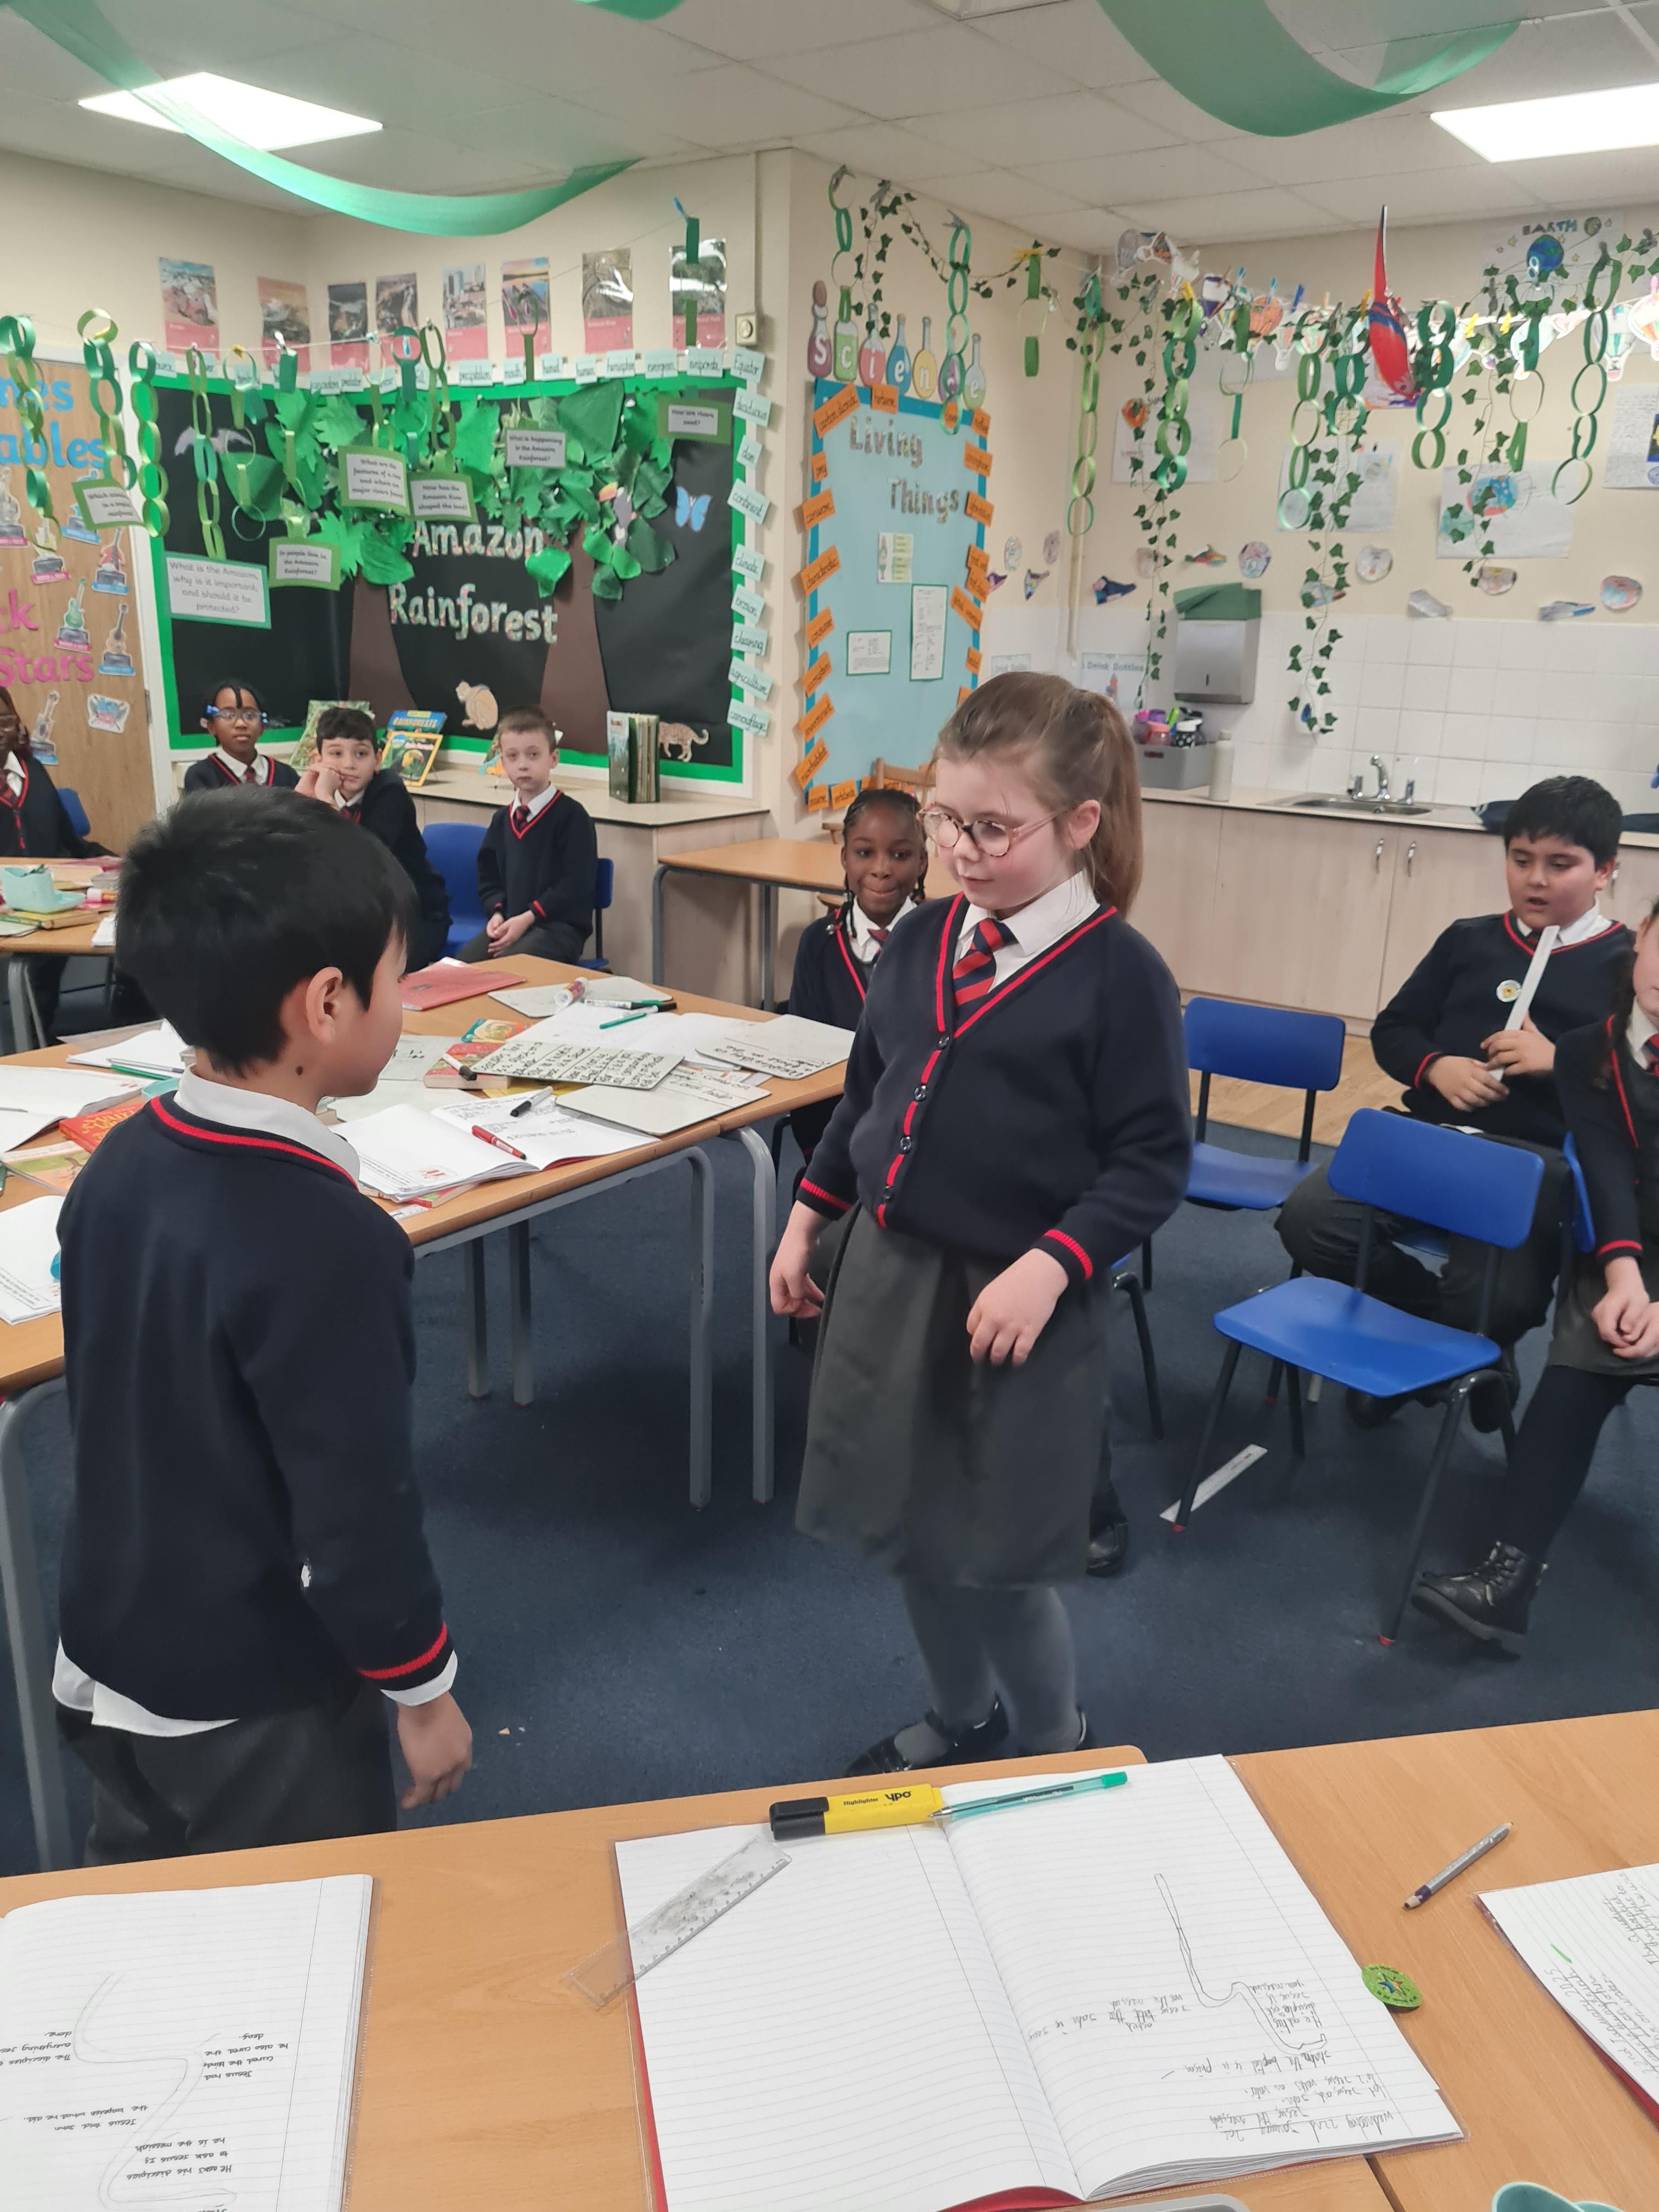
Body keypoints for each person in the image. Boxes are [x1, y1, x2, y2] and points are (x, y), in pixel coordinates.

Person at [769, 673, 1190, 1774]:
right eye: (942, 819)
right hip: (889, 1280)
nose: (956, 849)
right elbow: (867, 1098)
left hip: (1016, 1307)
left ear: (1079, 822)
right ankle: (961, 1719)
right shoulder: (920, 941)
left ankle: (1053, 1744)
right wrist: (808, 1216)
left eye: (991, 828)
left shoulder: (1121, 977)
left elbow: (1151, 1163)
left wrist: (1052, 1265)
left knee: (995, 1562)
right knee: (906, 1535)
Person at [54, 788, 472, 1860]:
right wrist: (423, 1691)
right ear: (327, 1003)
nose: (405, 1005)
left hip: (105, 1648)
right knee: (304, 1924)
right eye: (397, 980)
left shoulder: (120, 1158)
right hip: (250, 1700)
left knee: (147, 1908)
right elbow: (357, 1512)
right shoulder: (329, 1238)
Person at [1277, 776, 1629, 1429]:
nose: (1535, 880)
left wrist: (1561, 1061)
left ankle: (1447, 1351)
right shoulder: (1469, 940)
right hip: (1429, 1140)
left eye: (1561, 865)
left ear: (1605, 870)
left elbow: (1641, 1087)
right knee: (1310, 1221)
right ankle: (1452, 1345)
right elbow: (1393, 1031)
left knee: (1502, 1300)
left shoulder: (1628, 965)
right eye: (1520, 859)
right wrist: (1436, 1067)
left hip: (1533, 1166)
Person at [1414, 898, 1659, 1649]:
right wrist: (1626, 1279)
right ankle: (1508, 1581)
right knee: (1583, 1356)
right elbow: (1607, 1172)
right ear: (1643, 939)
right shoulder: (1591, 1050)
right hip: (1632, 1248)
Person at [788, 786, 928, 1161]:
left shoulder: (943, 942)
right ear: (845, 860)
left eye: (901, 855)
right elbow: (802, 1057)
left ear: (922, 862)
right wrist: (826, 1157)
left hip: (919, 1142)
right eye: (865, 853)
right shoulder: (818, 943)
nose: (881, 869)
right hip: (833, 1139)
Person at [297, 706, 450, 968]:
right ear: (318, 758)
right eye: (336, 753)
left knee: (368, 973)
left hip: (413, 917)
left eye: (361, 754)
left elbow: (365, 858)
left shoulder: (390, 792)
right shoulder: (315, 791)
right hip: (355, 916)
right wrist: (299, 799)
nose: (349, 764)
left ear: (378, 759)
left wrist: (324, 801)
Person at [0, 682, 107, 1042]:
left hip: (55, 897)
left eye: (3, 721)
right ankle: (31, 1045)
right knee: (35, 965)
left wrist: (112, 861)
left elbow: (69, 842)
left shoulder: (32, 770)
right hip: (9, 908)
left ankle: (126, 1026)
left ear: (16, 725)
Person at [460, 706, 597, 966]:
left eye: (533, 755)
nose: (522, 765)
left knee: (507, 968)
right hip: (510, 923)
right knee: (461, 969)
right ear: (503, 763)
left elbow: (575, 885)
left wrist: (528, 917)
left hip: (558, 930)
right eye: (512, 757)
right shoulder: (501, 820)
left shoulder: (573, 817)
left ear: (553, 759)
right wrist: (497, 914)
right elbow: (489, 880)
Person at [182, 680, 300, 792]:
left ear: (263, 726)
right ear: (212, 727)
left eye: (250, 715)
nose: (241, 724)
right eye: (228, 715)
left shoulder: (286, 775)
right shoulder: (201, 777)